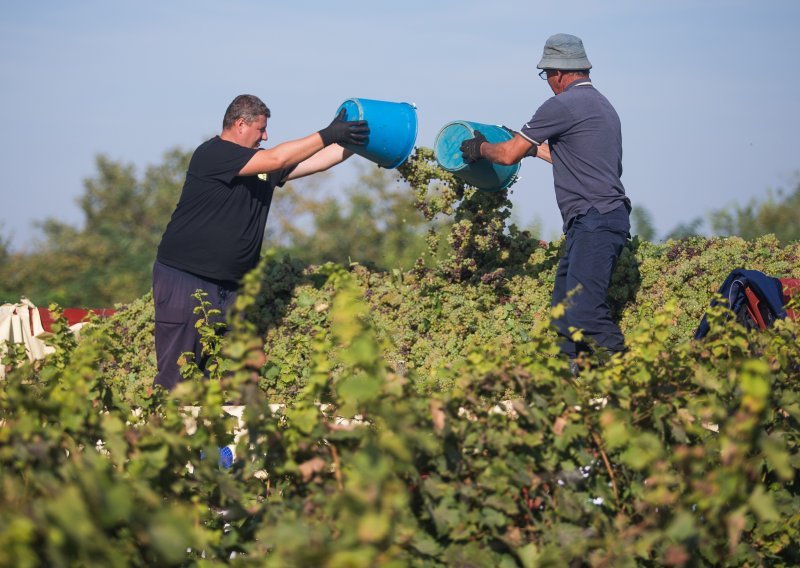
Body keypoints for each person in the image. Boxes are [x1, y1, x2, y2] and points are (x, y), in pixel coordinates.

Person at [153, 94, 369, 390]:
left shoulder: (261, 166)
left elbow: (317, 162)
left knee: (231, 377)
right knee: (177, 377)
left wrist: (358, 142)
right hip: (186, 279)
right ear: (240, 124)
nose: (265, 136)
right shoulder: (212, 154)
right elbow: (277, 157)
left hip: (231, 287)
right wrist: (328, 133)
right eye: (261, 130)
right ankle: (164, 429)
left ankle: (222, 436)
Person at [460, 34, 631, 366]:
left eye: (547, 75)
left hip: (594, 219)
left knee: (584, 312)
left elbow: (507, 157)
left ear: (559, 73)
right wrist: (526, 144)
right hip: (597, 220)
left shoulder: (562, 104)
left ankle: (638, 385)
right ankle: (579, 394)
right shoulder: (601, 106)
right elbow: (573, 159)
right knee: (564, 315)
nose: (548, 83)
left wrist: (479, 148)